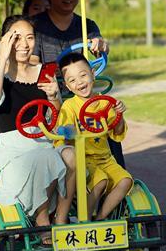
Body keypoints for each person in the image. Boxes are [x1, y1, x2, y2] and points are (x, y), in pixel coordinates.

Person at [0, 16, 76, 240]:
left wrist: (53, 96)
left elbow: (56, 118)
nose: (24, 44)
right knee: (44, 156)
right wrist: (2, 57)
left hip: (44, 139)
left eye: (29, 37)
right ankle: (42, 217)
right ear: (5, 41)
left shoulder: (43, 71)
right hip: (14, 149)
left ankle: (60, 217)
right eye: (16, 38)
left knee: (71, 154)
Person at [32, 0, 127, 167]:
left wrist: (101, 46)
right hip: (52, 101)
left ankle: (116, 182)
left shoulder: (87, 25)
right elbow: (29, 61)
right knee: (61, 140)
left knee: (107, 120)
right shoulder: (36, 26)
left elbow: (99, 48)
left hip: (82, 97)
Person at [56, 52, 132, 221]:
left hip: (106, 159)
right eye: (72, 80)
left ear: (92, 73)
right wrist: (69, 132)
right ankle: (86, 220)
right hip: (84, 160)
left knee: (126, 181)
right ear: (67, 86)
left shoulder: (105, 103)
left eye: (83, 75)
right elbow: (64, 138)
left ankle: (100, 218)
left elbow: (117, 133)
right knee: (100, 181)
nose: (80, 83)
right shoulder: (69, 106)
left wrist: (119, 114)